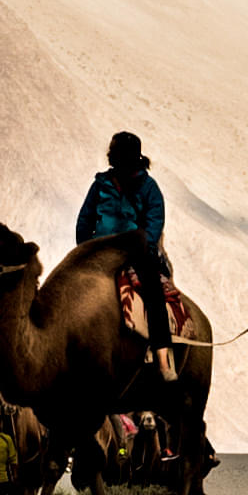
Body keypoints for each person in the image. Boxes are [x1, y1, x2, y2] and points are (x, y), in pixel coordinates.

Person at [78, 129, 175, 342]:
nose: (110, 156)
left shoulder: (149, 188)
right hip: (99, 250)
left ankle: (161, 350)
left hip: (136, 253)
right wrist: (85, 247)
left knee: (152, 290)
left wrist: (139, 247)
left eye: (114, 152)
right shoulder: (101, 184)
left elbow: (154, 224)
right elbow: (85, 218)